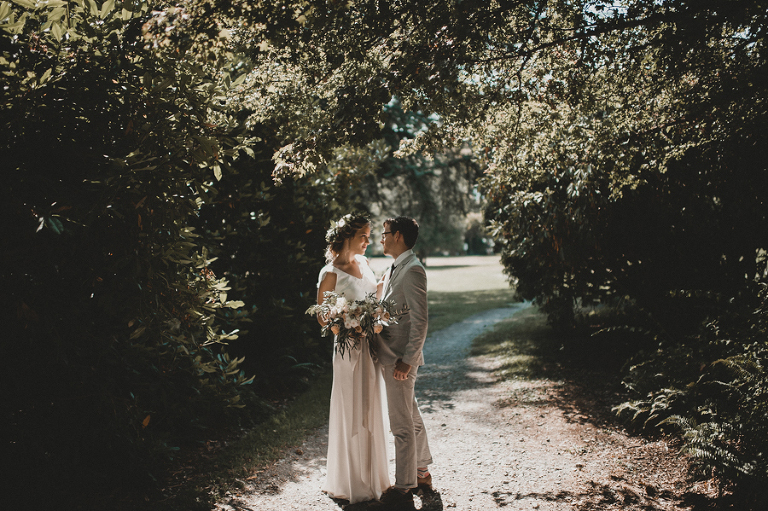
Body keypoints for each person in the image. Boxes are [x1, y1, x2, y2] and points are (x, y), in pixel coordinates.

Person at [316, 213, 391, 504]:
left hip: (371, 346)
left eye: (370, 235)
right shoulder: (330, 273)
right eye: (364, 235)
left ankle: (375, 479)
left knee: (371, 408)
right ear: (347, 237)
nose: (368, 241)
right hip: (348, 350)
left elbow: (374, 298)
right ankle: (351, 482)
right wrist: (347, 322)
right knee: (352, 410)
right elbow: (323, 317)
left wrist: (380, 299)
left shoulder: (364, 263)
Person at [377, 216, 433, 509]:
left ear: (397, 236)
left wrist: (407, 361)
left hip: (399, 360)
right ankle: (422, 472)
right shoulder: (395, 266)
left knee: (401, 426)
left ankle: (403, 487)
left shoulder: (413, 270)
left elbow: (421, 322)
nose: (381, 238)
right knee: (410, 417)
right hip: (391, 354)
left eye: (384, 233)